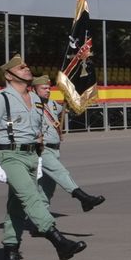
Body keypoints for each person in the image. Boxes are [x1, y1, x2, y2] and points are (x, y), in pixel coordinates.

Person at [0, 55, 88, 260]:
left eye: (27, 66)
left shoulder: (36, 100)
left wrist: (37, 159)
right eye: (21, 68)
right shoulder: (1, 98)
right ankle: (59, 241)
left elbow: (38, 133)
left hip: (30, 156)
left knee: (16, 208)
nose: (27, 69)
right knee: (32, 197)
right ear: (9, 75)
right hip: (9, 155)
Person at [32, 75, 106, 213]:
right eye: (43, 88)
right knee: (60, 173)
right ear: (33, 90)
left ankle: (40, 218)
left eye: (48, 88)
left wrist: (72, 99)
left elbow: (71, 110)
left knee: (47, 187)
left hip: (55, 150)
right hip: (41, 149)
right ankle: (83, 198)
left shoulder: (52, 104)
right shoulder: (30, 105)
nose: (47, 91)